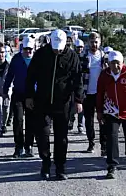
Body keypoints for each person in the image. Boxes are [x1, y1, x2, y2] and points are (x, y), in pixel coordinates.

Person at [25, 29, 83, 180]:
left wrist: (78, 100)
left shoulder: (72, 57)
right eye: (55, 47)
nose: (57, 50)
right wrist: (29, 96)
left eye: (60, 47)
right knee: (42, 134)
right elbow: (30, 76)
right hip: (42, 101)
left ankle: (60, 167)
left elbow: (78, 80)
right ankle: (45, 162)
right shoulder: (41, 54)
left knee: (61, 137)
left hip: (63, 102)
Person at [96, 50, 126, 179]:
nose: (116, 66)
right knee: (111, 136)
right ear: (108, 63)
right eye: (113, 63)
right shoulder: (104, 75)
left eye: (118, 63)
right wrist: (100, 112)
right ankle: (112, 165)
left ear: (122, 63)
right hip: (111, 110)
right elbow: (100, 94)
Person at [3, 36, 37, 158]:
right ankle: (18, 146)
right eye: (26, 49)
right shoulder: (17, 59)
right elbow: (10, 75)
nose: (28, 52)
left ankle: (29, 146)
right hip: (18, 93)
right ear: (22, 48)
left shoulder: (37, 60)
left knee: (30, 121)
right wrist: (5, 89)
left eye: (30, 49)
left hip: (32, 95)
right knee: (18, 120)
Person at [79, 32, 107, 155]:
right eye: (91, 42)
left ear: (100, 42)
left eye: (96, 42)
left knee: (102, 119)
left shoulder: (104, 57)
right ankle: (91, 142)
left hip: (101, 94)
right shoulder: (83, 57)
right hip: (87, 93)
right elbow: (78, 76)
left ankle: (104, 145)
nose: (94, 44)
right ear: (88, 43)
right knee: (89, 120)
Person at [68, 38, 86, 134]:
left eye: (81, 47)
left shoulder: (86, 57)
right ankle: (71, 120)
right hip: (72, 85)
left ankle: (80, 125)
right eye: (78, 47)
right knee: (71, 106)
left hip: (82, 85)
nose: (80, 49)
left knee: (80, 105)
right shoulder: (71, 57)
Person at [0, 44, 11, 137]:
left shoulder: (9, 65)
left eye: (2, 52)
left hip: (7, 90)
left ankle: (3, 124)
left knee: (6, 109)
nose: (1, 54)